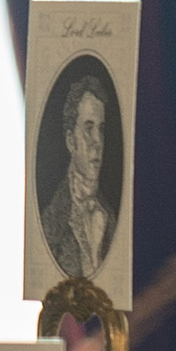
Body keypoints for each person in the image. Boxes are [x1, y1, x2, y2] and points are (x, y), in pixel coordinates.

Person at [43, 78, 116, 281]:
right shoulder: (50, 222)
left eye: (101, 129)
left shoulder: (109, 218)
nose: (97, 141)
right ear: (70, 141)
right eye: (88, 128)